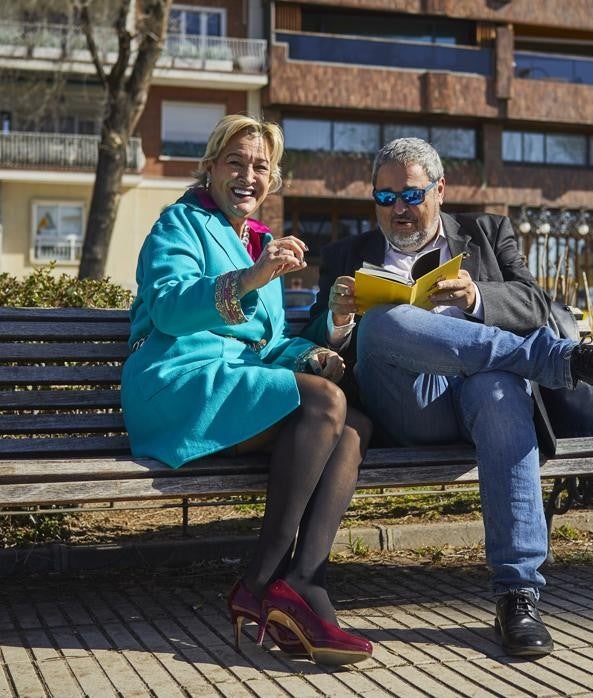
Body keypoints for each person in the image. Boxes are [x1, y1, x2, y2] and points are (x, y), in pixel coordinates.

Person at [304, 138, 593, 658]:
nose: (398, 210)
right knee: (382, 323)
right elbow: (316, 341)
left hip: (482, 396)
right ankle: (560, 361)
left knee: (499, 387)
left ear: (440, 190)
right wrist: (341, 320)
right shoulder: (348, 254)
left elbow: (532, 301)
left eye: (410, 195)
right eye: (384, 198)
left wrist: (479, 297)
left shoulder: (486, 231)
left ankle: (518, 595)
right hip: (406, 404)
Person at [121, 114, 373, 666]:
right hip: (178, 383)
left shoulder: (256, 240)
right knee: (326, 402)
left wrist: (324, 336)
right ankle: (260, 581)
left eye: (260, 166)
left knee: (354, 425)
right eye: (235, 162)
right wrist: (252, 278)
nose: (248, 176)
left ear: (273, 178)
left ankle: (304, 583)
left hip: (233, 385)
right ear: (210, 167)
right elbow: (167, 306)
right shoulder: (179, 224)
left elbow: (263, 344)